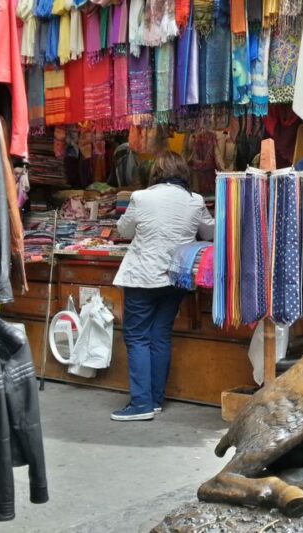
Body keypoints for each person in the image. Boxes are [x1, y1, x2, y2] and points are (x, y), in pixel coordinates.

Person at [111, 151, 214, 421]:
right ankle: (155, 400)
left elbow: (124, 231)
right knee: (159, 335)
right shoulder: (195, 200)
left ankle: (141, 403)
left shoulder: (141, 197)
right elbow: (211, 233)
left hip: (142, 276)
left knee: (136, 337)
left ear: (156, 172)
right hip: (175, 277)